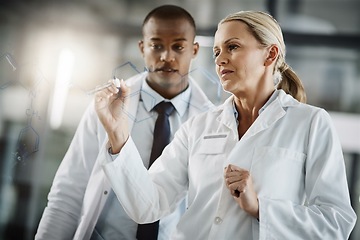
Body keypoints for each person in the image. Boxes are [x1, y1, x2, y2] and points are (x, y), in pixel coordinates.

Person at [95, 10, 357, 239]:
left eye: (232, 47)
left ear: (270, 54)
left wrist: (260, 208)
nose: (220, 60)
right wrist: (118, 136)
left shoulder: (310, 123)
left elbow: (335, 223)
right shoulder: (199, 126)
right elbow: (147, 206)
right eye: (217, 51)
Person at [35, 5, 214, 240]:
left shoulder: (210, 122)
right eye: (156, 45)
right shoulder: (107, 107)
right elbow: (68, 191)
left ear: (194, 50)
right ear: (142, 48)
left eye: (178, 46)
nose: (166, 56)